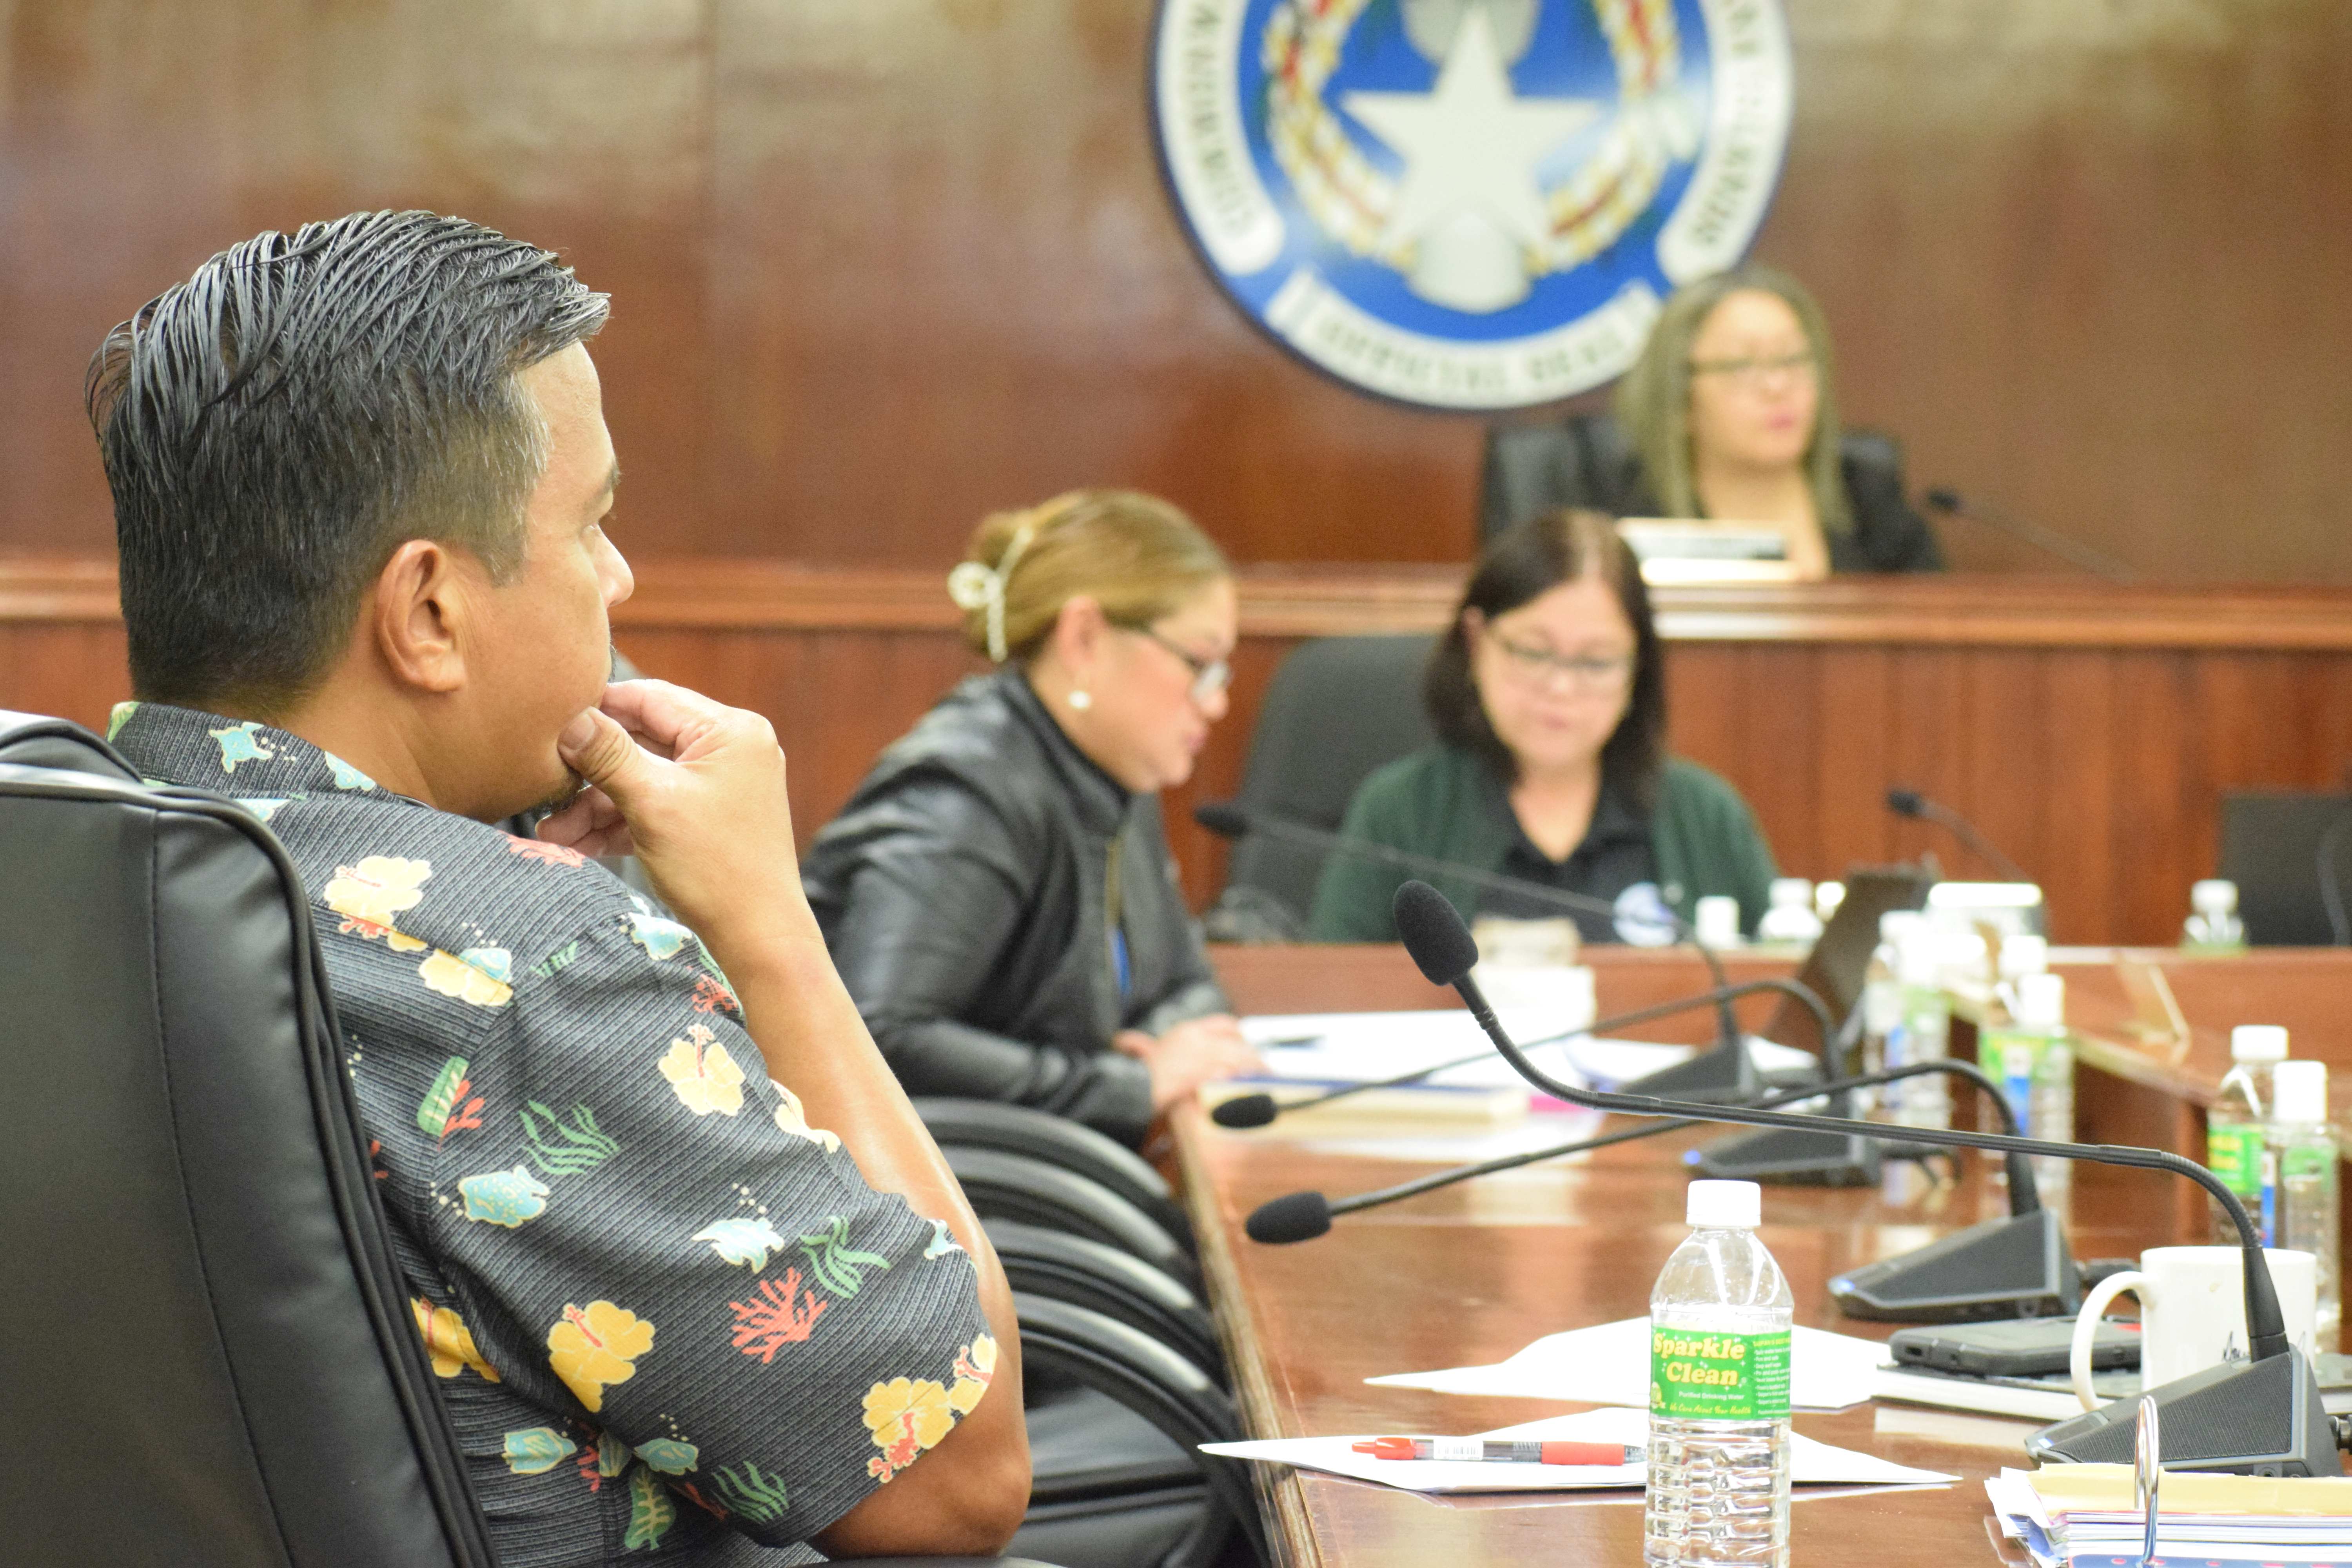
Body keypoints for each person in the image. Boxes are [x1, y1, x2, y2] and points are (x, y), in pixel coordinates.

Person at [89, 211, 1028, 1564]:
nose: (621, 573)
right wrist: (768, 926)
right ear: (427, 613)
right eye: (593, 523)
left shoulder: (73, 863)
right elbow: (956, 1480)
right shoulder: (517, 968)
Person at [801, 491, 1260, 1150]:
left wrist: (1160, 1053)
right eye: (1200, 663)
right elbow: (882, 1037)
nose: (1216, 703)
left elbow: (1185, 984)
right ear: (1084, 638)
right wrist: (1125, 1086)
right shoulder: (967, 791)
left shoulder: (1116, 774)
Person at [1309, 510, 1777, 944]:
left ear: (1637, 670)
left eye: (1596, 662)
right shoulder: (1400, 810)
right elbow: (1331, 995)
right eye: (1533, 652)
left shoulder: (1707, 816)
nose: (1561, 688)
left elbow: (1783, 998)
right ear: (1476, 643)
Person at [1479, 265, 1945, 574]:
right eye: (1743, 366)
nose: (1777, 387)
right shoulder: (1617, 514)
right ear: (1680, 400)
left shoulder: (1874, 507)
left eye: (1794, 360)